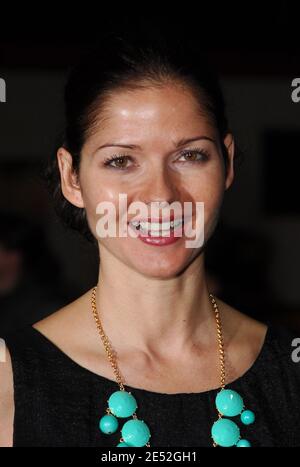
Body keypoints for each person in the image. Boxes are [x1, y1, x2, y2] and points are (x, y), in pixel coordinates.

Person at [1, 34, 300, 447]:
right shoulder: (9, 382)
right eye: (121, 161)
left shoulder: (290, 371)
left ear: (227, 162)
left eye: (190, 155)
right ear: (72, 177)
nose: (161, 195)